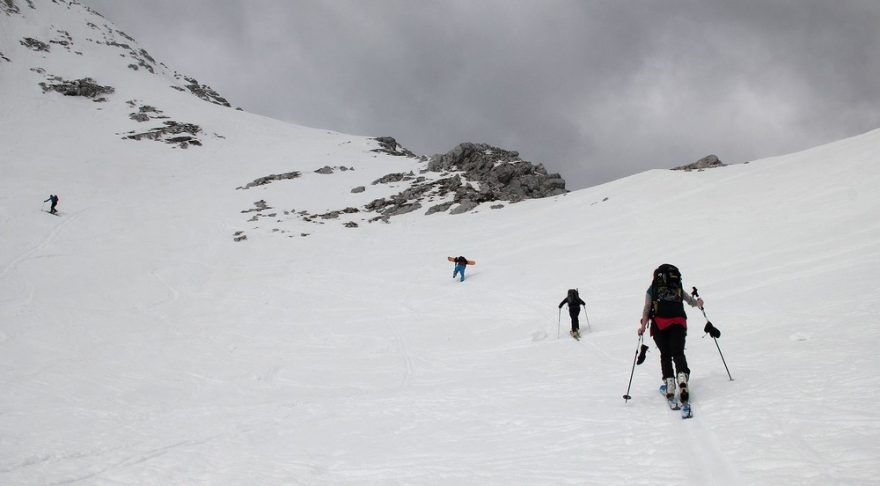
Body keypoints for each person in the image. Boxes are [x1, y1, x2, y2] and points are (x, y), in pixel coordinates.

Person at [637, 264, 703, 405]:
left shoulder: (652, 289)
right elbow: (688, 300)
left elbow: (647, 309)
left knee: (665, 354)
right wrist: (698, 303)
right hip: (679, 322)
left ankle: (670, 385)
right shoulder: (676, 286)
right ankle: (682, 378)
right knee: (678, 353)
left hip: (659, 325)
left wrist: (642, 326)